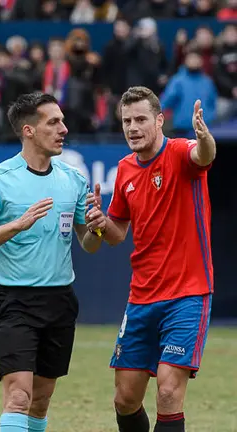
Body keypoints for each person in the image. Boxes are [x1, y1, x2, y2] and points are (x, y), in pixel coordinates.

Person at [0, 92, 105, 432]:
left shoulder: (73, 179)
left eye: (63, 121)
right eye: (53, 122)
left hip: (60, 299)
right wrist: (16, 225)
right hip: (15, 300)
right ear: (28, 130)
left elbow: (89, 245)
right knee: (18, 397)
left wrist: (98, 229)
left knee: (41, 400)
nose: (64, 129)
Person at [97, 86, 216, 432]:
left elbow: (204, 156)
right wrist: (101, 224)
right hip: (142, 296)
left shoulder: (180, 152)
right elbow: (118, 231)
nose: (132, 127)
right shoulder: (124, 169)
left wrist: (204, 137)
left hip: (188, 293)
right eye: (126, 121)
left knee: (167, 390)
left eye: (140, 119)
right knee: (125, 398)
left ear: (159, 120)